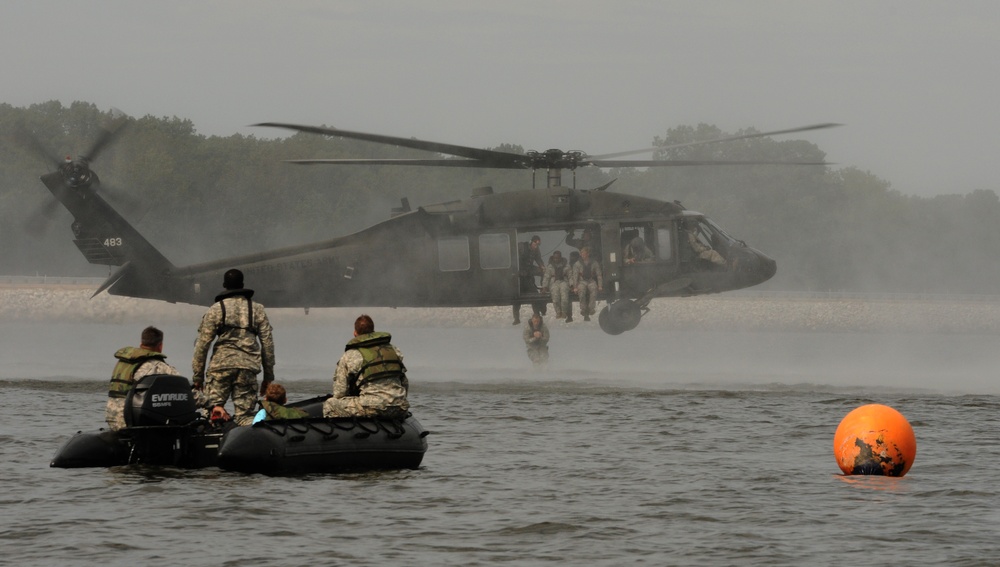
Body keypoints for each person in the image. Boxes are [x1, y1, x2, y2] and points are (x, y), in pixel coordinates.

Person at [192, 268, 276, 426]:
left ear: (224, 285)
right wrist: (268, 377)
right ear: (242, 284)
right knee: (245, 417)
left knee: (211, 412)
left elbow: (202, 345)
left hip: (220, 369)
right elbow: (268, 345)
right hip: (247, 369)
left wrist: (198, 377)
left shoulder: (215, 310)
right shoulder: (257, 310)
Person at [323, 314, 410, 420]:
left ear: (355, 333)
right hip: (400, 406)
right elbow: (404, 382)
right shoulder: (394, 351)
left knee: (330, 404)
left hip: (372, 407)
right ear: (373, 332)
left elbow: (340, 392)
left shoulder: (350, 355)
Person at [106, 326, 182, 430]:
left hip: (112, 418)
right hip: (128, 422)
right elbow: (183, 388)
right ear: (160, 346)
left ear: (141, 344)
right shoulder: (157, 366)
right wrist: (209, 404)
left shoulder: (124, 362)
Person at [512, 235, 546, 325]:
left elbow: (538, 259)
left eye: (538, 244)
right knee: (516, 297)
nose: (536, 245)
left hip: (529, 271)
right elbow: (513, 256)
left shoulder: (536, 250)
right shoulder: (521, 246)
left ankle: (537, 313)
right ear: (531, 242)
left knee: (534, 295)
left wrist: (542, 267)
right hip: (519, 272)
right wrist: (517, 271)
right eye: (535, 243)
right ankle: (516, 318)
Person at [571, 246, 604, 322]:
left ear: (587, 254)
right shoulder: (577, 264)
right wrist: (575, 287)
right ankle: (583, 309)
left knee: (594, 290)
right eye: (581, 254)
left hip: (591, 280)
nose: (582, 255)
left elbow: (599, 274)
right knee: (581, 291)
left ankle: (591, 308)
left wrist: (600, 285)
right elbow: (575, 276)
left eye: (584, 254)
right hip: (582, 281)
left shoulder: (594, 263)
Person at [541, 250, 572, 322]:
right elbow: (546, 277)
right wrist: (544, 287)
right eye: (555, 258)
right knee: (555, 298)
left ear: (560, 257)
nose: (556, 259)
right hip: (554, 282)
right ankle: (558, 312)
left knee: (564, 297)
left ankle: (564, 312)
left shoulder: (566, 265)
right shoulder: (550, 266)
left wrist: (572, 285)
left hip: (563, 281)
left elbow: (570, 276)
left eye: (557, 258)